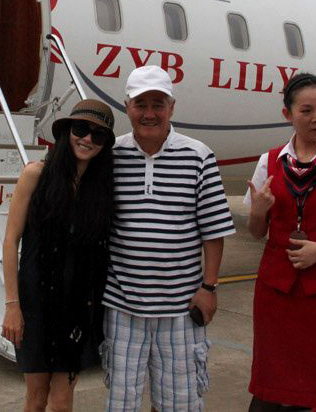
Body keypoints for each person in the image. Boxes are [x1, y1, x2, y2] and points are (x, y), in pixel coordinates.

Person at [101, 65, 235, 412]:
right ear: (127, 106)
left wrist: (209, 288)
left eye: (158, 104)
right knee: (121, 404)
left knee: (180, 404)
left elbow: (213, 230)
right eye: (140, 104)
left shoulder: (198, 155)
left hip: (181, 308)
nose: (149, 113)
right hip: (122, 307)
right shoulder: (111, 156)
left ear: (171, 108)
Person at [1, 99, 115, 412]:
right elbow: (10, 241)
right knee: (36, 398)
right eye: (81, 129)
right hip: (36, 303)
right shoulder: (36, 174)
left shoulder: (101, 189)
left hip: (78, 306)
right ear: (67, 132)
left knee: (62, 402)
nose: (87, 139)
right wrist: (12, 306)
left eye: (98, 135)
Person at [244, 73, 316, 411]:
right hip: (277, 295)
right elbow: (256, 232)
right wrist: (258, 212)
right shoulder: (269, 162)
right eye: (306, 110)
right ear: (288, 114)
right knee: (274, 385)